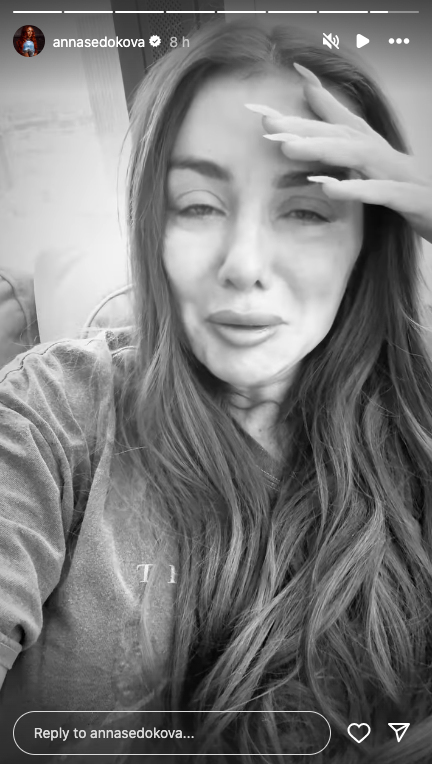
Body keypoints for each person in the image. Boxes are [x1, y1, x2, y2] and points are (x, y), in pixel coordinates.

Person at [1, 16, 432, 764]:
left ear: (368, 241)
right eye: (198, 205)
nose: (244, 264)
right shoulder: (55, 410)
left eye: (306, 210)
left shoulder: (418, 418)